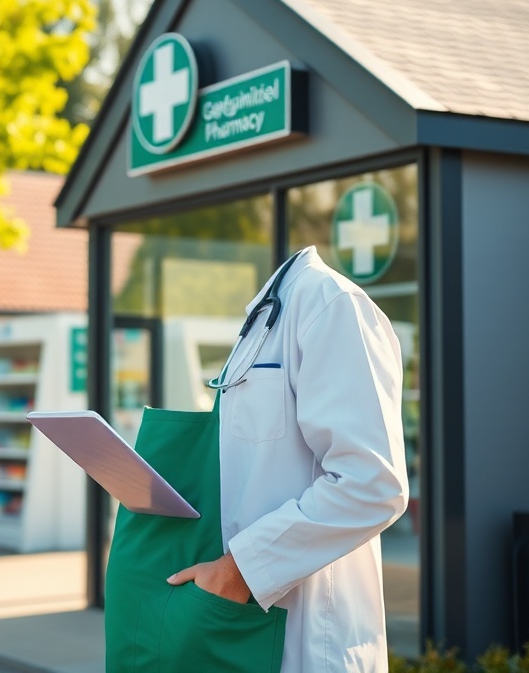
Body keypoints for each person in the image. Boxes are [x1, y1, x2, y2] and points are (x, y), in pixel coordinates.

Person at [104, 245, 409, 673]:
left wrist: (238, 572)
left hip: (303, 638)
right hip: (240, 626)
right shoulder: (266, 317)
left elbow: (372, 484)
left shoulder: (331, 305)